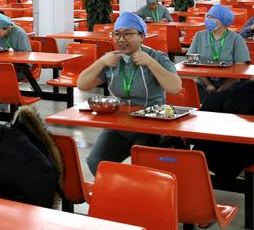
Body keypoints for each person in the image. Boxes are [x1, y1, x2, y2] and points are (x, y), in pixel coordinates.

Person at [76, 12, 181, 175]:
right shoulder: (113, 60)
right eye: (117, 34)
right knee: (96, 162)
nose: (121, 39)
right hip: (121, 123)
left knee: (142, 166)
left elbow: (175, 87)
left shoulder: (157, 57)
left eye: (127, 34)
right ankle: (120, 189)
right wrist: (101, 62)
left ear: (141, 36)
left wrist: (150, 63)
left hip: (150, 125)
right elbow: (82, 84)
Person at [186, 4, 251, 101]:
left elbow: (239, 71)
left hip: (229, 83)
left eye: (212, 18)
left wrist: (221, 90)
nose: (208, 20)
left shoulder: (237, 39)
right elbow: (192, 61)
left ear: (223, 21)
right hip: (204, 81)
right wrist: (208, 85)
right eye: (208, 16)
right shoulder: (199, 35)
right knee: (193, 85)